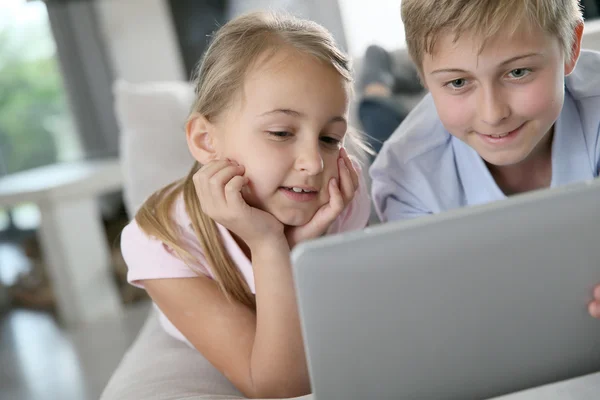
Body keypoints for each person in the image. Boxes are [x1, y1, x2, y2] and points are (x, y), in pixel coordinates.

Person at [120, 12, 371, 399]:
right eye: (281, 132)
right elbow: (281, 386)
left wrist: (303, 245)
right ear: (206, 140)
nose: (314, 163)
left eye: (329, 137)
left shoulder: (337, 194)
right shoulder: (162, 241)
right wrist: (271, 247)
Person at [369, 0, 600, 317]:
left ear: (572, 46)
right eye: (458, 82)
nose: (493, 114)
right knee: (376, 119)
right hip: (420, 138)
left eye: (518, 72)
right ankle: (375, 86)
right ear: (422, 72)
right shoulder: (406, 177)